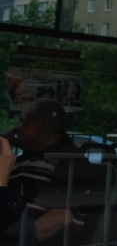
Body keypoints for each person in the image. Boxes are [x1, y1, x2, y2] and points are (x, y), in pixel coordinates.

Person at [3, 99, 100, 246]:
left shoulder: (70, 163)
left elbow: (63, 217)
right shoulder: (25, 159)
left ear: (42, 123)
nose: (17, 128)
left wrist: (15, 240)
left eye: (23, 121)